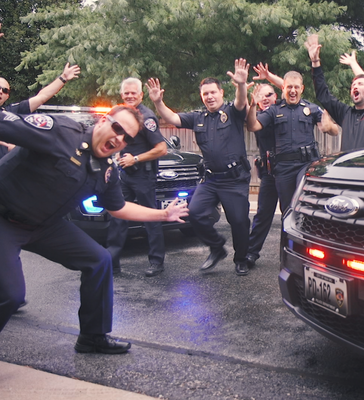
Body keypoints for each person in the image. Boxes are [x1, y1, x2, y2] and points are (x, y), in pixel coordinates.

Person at [0, 105, 189, 353]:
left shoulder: (108, 170)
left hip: (45, 226)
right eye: (117, 128)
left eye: (127, 138)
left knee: (99, 260)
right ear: (102, 121)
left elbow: (118, 208)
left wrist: (163, 214)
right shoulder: (60, 131)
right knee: (11, 295)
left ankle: (92, 337)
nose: (120, 138)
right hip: (4, 219)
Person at [147, 59, 253, 276]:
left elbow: (242, 102)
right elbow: (173, 118)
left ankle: (241, 258)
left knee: (239, 221)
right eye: (205, 94)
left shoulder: (232, 112)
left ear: (221, 93)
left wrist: (242, 85)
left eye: (213, 92)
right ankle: (216, 247)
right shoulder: (197, 117)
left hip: (234, 179)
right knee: (194, 213)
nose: (210, 97)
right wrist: (158, 102)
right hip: (211, 180)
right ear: (201, 97)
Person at [246, 70, 337, 214]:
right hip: (284, 168)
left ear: (302, 89)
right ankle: (287, 237)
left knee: (304, 204)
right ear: (283, 88)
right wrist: (252, 106)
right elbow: (253, 126)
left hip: (306, 165)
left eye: (296, 87)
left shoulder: (311, 108)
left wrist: (329, 126)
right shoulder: (274, 110)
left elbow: (334, 131)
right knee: (287, 211)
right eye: (289, 87)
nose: (293, 90)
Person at [106, 78, 168, 277]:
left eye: (134, 93)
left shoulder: (147, 117)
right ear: (122, 95)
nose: (130, 96)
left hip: (143, 176)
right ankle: (112, 264)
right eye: (126, 93)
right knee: (117, 216)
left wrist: (136, 159)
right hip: (123, 175)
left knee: (150, 218)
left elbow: (162, 149)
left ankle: (157, 262)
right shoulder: (120, 115)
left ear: (141, 95)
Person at [306, 21, 364, 151]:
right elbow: (323, 95)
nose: (355, 86)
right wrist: (315, 62)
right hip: (348, 171)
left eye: (360, 84)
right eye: (353, 85)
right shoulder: (346, 114)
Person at [0, 62, 80, 159]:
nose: (1, 91)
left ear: (7, 96)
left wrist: (63, 78)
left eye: (5, 90)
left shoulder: (11, 112)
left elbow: (42, 97)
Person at [245, 83, 279, 268]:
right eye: (261, 96)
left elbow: (293, 87)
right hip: (269, 173)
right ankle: (251, 253)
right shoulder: (256, 117)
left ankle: (291, 255)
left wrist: (269, 77)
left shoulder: (284, 110)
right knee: (263, 214)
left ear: (276, 97)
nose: (265, 98)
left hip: (290, 172)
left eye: (269, 95)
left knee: (292, 216)